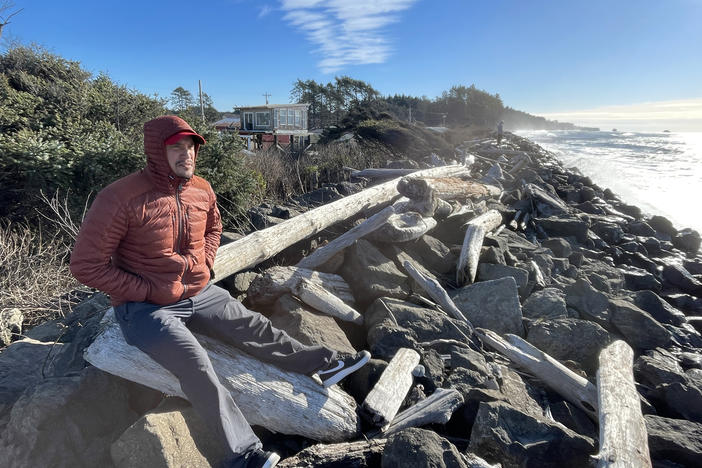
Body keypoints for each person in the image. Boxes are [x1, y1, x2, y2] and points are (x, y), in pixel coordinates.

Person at [70, 115, 370, 468]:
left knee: (254, 326)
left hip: (198, 292)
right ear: (155, 150)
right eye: (176, 146)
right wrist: (146, 289)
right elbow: (85, 265)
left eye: (191, 146)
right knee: (196, 364)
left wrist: (206, 263)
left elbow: (215, 226)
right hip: (145, 309)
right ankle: (242, 454)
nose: (187, 154)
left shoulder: (201, 188)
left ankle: (325, 364)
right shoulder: (120, 197)